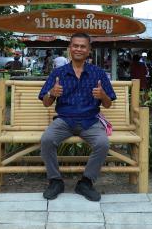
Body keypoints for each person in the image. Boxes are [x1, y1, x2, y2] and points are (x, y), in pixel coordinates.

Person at [38, 32, 116, 201]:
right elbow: (46, 103)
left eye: (82, 46)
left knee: (103, 143)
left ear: (89, 50)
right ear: (70, 48)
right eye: (75, 46)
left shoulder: (98, 73)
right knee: (47, 140)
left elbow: (108, 104)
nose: (78, 49)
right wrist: (51, 93)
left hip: (90, 120)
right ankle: (55, 181)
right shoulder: (58, 73)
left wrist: (103, 95)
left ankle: (86, 182)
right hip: (65, 120)